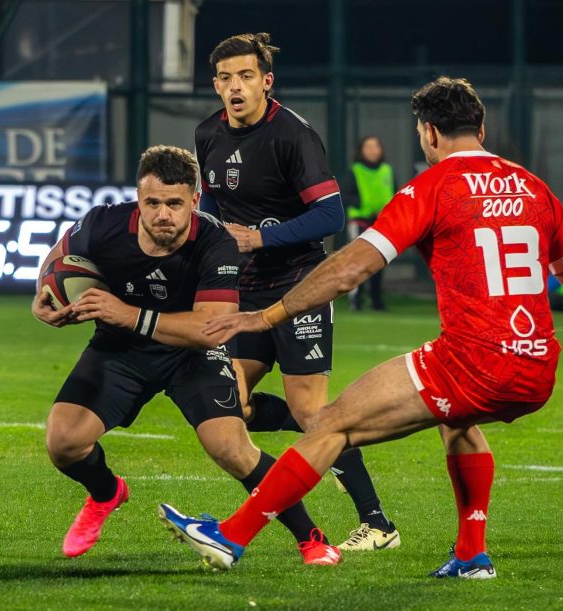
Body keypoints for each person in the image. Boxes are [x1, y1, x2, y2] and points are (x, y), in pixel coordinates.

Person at [159, 76, 563, 579]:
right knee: (457, 420)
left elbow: (350, 269)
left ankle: (230, 535)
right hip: (537, 366)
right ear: (480, 127)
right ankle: (470, 555)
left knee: (330, 424)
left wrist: (267, 315)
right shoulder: (535, 187)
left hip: (472, 361)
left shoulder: (433, 186)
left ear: (430, 134)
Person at [32, 145, 340, 564]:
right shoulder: (103, 222)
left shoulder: (215, 241)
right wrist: (44, 296)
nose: (163, 214)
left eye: (175, 204)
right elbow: (57, 259)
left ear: (194, 201)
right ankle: (107, 493)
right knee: (63, 441)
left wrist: (129, 314)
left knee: (230, 447)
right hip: (121, 348)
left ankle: (311, 537)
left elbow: (212, 327)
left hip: (193, 352)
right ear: (138, 198)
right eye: (152, 203)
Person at [195, 32, 399, 553]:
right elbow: (217, 211)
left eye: (245, 76)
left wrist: (260, 237)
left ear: (266, 81)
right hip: (247, 295)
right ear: (215, 85)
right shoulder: (207, 136)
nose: (235, 87)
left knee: (313, 413)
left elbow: (330, 215)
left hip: (299, 288)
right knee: (230, 405)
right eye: (225, 78)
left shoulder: (292, 136)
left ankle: (378, 523)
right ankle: (326, 440)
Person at [344, 136, 396, 311]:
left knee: (379, 261)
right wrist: (362, 205)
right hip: (360, 221)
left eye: (375, 146)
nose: (372, 150)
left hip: (382, 222)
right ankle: (356, 300)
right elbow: (346, 195)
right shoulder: (355, 171)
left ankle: (377, 299)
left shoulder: (387, 170)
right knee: (358, 262)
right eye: (368, 147)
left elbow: (395, 193)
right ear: (361, 150)